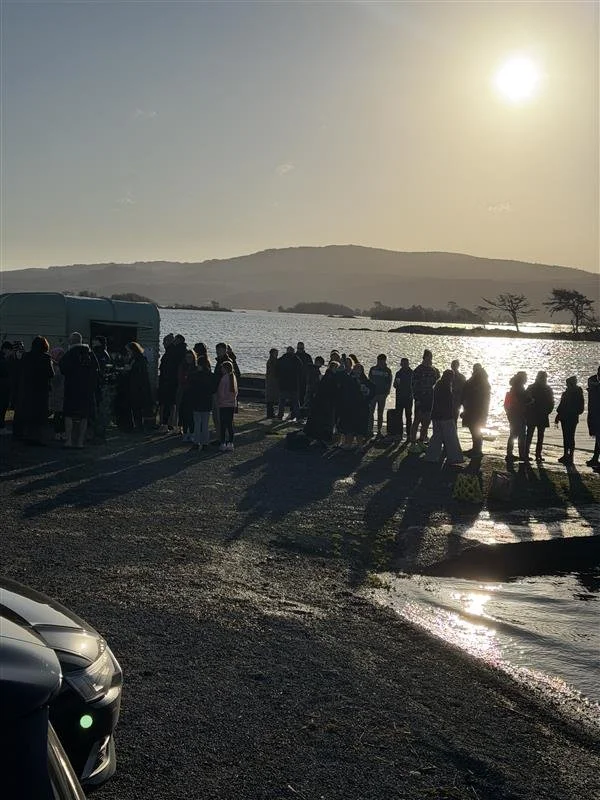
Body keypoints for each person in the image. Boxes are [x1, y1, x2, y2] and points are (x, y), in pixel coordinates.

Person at [59, 332, 99, 448]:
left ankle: (69, 440)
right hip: (87, 390)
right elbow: (96, 369)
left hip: (72, 389)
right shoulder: (90, 354)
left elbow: (63, 369)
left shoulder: (70, 353)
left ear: (71, 341)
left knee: (69, 415)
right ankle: (80, 442)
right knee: (84, 416)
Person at [15, 336, 54, 446]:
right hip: (41, 389)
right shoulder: (46, 358)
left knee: (28, 412)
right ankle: (39, 438)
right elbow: (51, 374)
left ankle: (27, 436)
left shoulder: (26, 356)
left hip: (28, 389)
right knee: (40, 414)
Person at [424, 370, 464, 465]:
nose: (453, 379)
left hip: (436, 415)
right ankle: (455, 457)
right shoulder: (446, 387)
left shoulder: (438, 385)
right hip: (445, 416)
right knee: (451, 438)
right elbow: (448, 403)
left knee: (436, 437)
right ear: (449, 377)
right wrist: (452, 414)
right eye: (452, 377)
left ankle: (431, 457)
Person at [338, 363, 375, 449]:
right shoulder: (349, 379)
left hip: (362, 407)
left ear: (362, 371)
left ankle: (360, 445)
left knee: (360, 428)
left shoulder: (365, 381)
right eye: (355, 369)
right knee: (349, 426)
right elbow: (342, 388)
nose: (357, 371)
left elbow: (372, 390)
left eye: (359, 369)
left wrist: (367, 392)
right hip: (350, 407)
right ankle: (348, 443)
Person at [304, 360, 339, 445]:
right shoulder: (331, 377)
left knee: (318, 420)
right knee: (325, 421)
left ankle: (317, 436)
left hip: (320, 402)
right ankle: (324, 437)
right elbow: (332, 390)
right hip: (326, 402)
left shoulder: (326, 376)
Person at [410, 349, 440, 446]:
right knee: (417, 420)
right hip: (420, 398)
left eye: (431, 357)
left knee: (427, 421)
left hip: (430, 398)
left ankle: (421, 440)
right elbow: (414, 386)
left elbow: (437, 383)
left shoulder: (434, 370)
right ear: (425, 357)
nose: (430, 359)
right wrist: (417, 398)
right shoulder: (418, 370)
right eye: (429, 357)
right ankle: (413, 441)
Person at [461, 363, 490, 458]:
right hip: (477, 410)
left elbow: (471, 393)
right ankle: (477, 449)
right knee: (475, 429)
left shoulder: (478, 381)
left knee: (475, 429)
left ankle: (477, 450)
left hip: (475, 410)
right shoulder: (482, 381)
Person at [188, 355, 217, 451]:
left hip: (196, 402)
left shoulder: (194, 376)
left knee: (197, 423)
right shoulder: (211, 376)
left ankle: (196, 442)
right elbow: (213, 389)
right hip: (207, 402)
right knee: (205, 424)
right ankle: (205, 443)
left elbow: (190, 389)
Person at [525, 370, 554, 462]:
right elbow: (551, 402)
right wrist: (548, 411)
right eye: (544, 377)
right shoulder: (546, 389)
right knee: (537, 436)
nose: (544, 379)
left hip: (536, 415)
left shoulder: (531, 387)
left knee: (532, 435)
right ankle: (535, 454)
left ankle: (530, 454)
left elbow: (551, 403)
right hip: (539, 414)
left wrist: (548, 411)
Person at [555, 377, 585, 465]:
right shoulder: (574, 393)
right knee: (568, 436)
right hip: (568, 418)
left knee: (569, 437)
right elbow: (561, 406)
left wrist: (559, 414)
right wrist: (558, 415)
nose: (566, 385)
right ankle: (567, 455)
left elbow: (580, 409)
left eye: (567, 384)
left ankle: (569, 455)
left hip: (570, 418)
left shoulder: (575, 394)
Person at [125, 342, 153, 432]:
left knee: (137, 407)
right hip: (139, 386)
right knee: (138, 408)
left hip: (138, 387)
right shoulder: (139, 359)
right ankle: (139, 425)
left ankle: (139, 426)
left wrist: (129, 369)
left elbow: (139, 373)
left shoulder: (138, 360)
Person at [504, 371, 531, 463]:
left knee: (513, 434)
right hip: (518, 414)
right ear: (522, 379)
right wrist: (531, 401)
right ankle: (521, 455)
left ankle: (510, 453)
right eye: (525, 377)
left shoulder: (514, 387)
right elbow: (524, 400)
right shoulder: (519, 388)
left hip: (512, 414)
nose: (526, 379)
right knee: (521, 435)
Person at [368, 354, 393, 436]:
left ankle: (379, 430)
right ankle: (370, 430)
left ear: (385, 361)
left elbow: (389, 383)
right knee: (370, 412)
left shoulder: (388, 371)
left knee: (380, 413)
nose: (380, 362)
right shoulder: (372, 369)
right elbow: (369, 380)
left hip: (382, 394)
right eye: (379, 361)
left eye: (382, 361)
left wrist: (386, 393)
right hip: (373, 394)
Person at [276, 346, 302, 420]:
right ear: (293, 352)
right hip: (293, 384)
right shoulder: (296, 360)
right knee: (295, 402)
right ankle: (298, 416)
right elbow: (300, 370)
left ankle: (280, 415)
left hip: (283, 384)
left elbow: (277, 371)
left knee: (282, 401)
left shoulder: (281, 359)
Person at [217, 360, 238, 451]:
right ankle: (231, 443)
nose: (221, 369)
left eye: (222, 368)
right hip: (232, 404)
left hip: (223, 404)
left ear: (225, 368)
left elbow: (221, 393)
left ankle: (223, 443)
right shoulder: (233, 377)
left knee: (223, 424)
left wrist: (220, 401)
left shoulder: (224, 378)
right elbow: (236, 392)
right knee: (229, 424)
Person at [177, 349, 198, 441]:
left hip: (193, 393)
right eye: (187, 357)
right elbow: (180, 379)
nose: (188, 359)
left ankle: (192, 432)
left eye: (190, 357)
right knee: (184, 414)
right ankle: (185, 432)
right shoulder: (182, 367)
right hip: (184, 392)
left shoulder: (196, 368)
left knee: (191, 415)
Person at [393, 358, 413, 440]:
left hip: (408, 398)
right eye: (403, 364)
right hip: (399, 397)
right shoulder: (398, 373)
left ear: (408, 364)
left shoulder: (412, 373)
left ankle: (409, 434)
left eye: (406, 363)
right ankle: (399, 434)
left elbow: (414, 385)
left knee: (408, 416)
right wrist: (396, 384)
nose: (404, 365)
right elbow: (395, 385)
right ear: (401, 364)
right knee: (399, 416)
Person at [49, 347, 65, 440]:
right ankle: (58, 432)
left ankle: (60, 432)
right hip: (57, 393)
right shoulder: (55, 367)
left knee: (59, 414)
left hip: (59, 393)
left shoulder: (57, 366)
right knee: (58, 414)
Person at [586, 365, 600, 467]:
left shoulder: (594, 386)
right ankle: (595, 458)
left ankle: (595, 458)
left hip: (595, 414)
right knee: (598, 438)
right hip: (595, 414)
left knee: (598, 438)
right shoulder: (594, 386)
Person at [0, 341, 12, 435]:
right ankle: (2, 427)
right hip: (3, 387)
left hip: (4, 386)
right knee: (2, 407)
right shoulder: (4, 361)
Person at [450, 360, 466, 424]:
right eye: (452, 365)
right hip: (449, 402)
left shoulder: (462, 377)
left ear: (458, 366)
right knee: (449, 421)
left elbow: (464, 391)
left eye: (455, 365)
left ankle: (454, 433)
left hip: (457, 402)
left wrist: (464, 405)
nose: (453, 367)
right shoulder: (448, 375)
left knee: (454, 420)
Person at [265, 348, 280, 419]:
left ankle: (270, 413)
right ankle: (270, 414)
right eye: (276, 353)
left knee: (270, 399)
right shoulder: (273, 361)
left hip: (270, 381)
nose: (277, 354)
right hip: (272, 381)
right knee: (271, 399)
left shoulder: (270, 361)